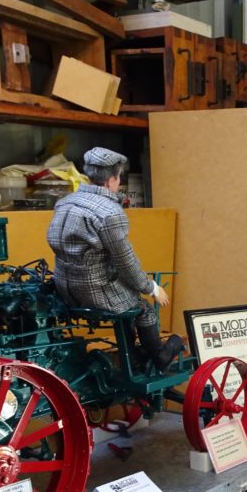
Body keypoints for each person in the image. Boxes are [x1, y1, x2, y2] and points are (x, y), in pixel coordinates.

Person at [47, 147, 184, 371]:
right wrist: (151, 287)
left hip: (65, 288)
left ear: (89, 176)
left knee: (126, 297)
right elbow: (125, 259)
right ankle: (159, 356)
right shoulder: (109, 212)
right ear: (113, 179)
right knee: (142, 306)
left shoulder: (65, 202)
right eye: (119, 177)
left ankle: (131, 354)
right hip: (95, 291)